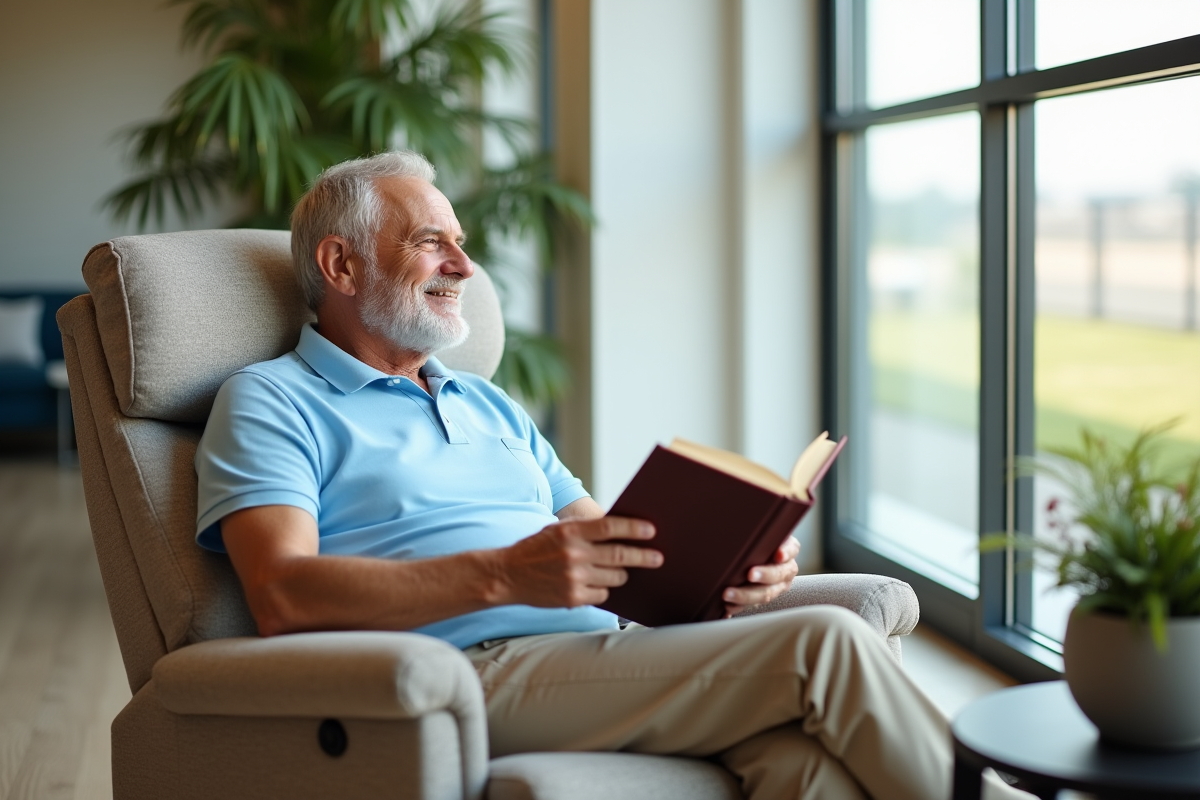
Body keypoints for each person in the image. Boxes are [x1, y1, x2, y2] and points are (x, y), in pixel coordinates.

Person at [195, 151, 1025, 800]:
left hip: (605, 657)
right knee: (826, 643)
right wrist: (505, 573)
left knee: (800, 765)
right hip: (461, 673)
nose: (464, 267)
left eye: (462, 244)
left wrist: (730, 579)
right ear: (339, 267)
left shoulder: (486, 404)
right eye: (430, 243)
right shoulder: (272, 400)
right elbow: (282, 596)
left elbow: (614, 551)